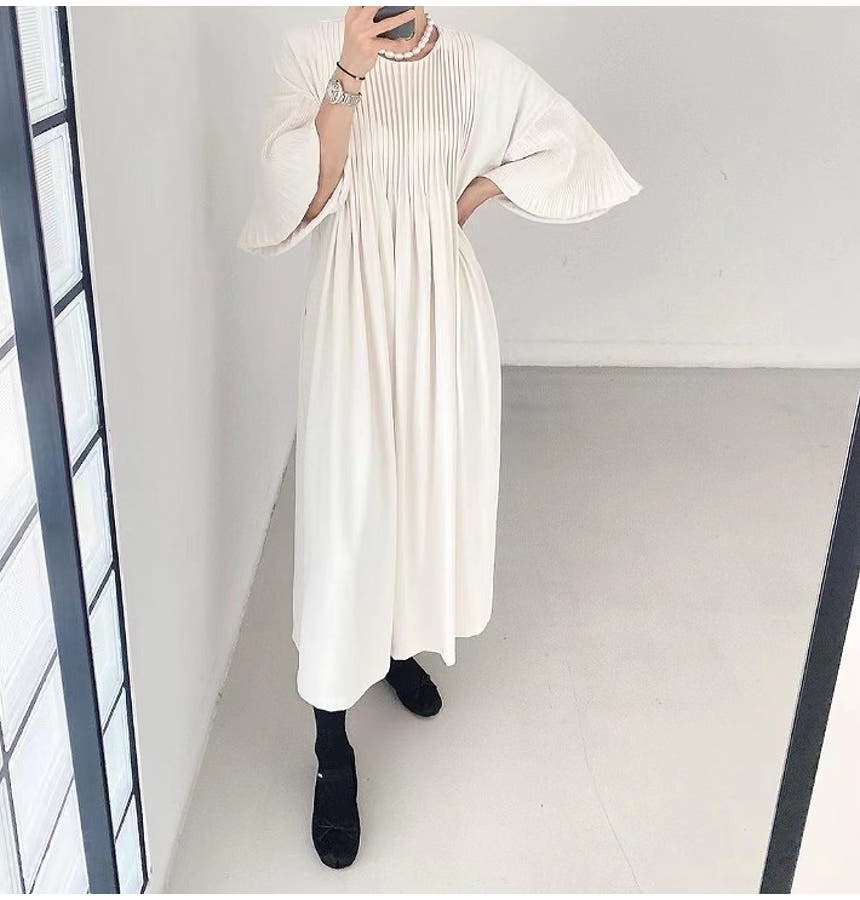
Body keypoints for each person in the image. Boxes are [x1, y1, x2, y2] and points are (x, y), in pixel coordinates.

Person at [238, 6, 642, 869]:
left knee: (424, 492)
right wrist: (350, 73)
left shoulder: (475, 63)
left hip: (441, 308)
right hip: (353, 306)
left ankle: (395, 647)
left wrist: (478, 189)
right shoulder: (309, 54)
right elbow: (306, 192)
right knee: (348, 517)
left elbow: (566, 145)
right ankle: (332, 747)